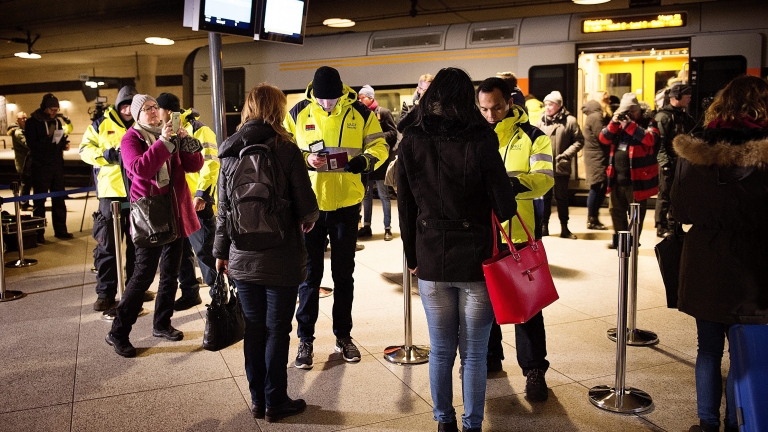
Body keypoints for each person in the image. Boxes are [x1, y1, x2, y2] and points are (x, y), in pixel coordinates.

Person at [398, 67, 517, 432]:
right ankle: (472, 425)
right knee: (475, 354)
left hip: (432, 257)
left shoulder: (411, 142)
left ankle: (443, 422)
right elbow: (506, 207)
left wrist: (413, 258)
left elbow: (405, 207)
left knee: (440, 350)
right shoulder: (482, 140)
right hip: (476, 260)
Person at [214, 83, 319, 423]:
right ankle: (276, 401)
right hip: (282, 255)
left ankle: (258, 400)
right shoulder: (286, 148)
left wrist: (221, 250)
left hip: (241, 254)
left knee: (254, 328)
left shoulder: (228, 151)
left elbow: (223, 210)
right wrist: (307, 219)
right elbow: (307, 206)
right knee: (277, 329)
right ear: (277, 109)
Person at [669, 75, 768, 432]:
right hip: (755, 267)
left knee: (707, 349)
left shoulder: (693, 152)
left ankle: (707, 423)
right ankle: (736, 421)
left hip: (704, 263)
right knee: (745, 350)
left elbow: (679, 211)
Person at [284, 66, 388, 368]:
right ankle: (305, 339)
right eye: (322, 100)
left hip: (346, 204)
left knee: (344, 276)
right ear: (313, 93)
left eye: (331, 99)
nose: (327, 105)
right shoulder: (298, 112)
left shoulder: (360, 111)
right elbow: (285, 149)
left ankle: (344, 336)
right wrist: (306, 159)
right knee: (309, 277)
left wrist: (364, 161)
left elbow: (380, 145)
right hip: (310, 206)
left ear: (341, 91)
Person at [105, 95, 204, 358]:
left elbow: (195, 166)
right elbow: (140, 169)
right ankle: (118, 332)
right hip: (151, 216)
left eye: (153, 108)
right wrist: (163, 143)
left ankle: (162, 323)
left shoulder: (168, 134)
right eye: (146, 109)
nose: (151, 112)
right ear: (137, 115)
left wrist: (183, 141)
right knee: (143, 276)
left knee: (171, 273)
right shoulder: (131, 139)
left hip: (175, 212)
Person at [477, 77, 554, 401]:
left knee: (528, 305)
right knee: (484, 302)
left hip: (519, 233)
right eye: (483, 108)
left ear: (510, 102)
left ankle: (534, 369)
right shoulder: (473, 137)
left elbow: (544, 180)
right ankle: (490, 357)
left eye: (495, 107)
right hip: (482, 232)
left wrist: (509, 185)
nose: (490, 114)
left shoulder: (534, 136)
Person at [80, 86, 152, 311]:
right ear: (118, 105)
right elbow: (84, 150)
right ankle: (105, 292)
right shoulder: (101, 124)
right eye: (124, 105)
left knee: (136, 245)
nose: (128, 109)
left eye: (132, 105)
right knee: (107, 246)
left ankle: (134, 289)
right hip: (110, 195)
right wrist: (105, 156)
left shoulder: (144, 126)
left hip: (137, 193)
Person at [155, 92, 220, 311]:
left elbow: (211, 164)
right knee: (181, 252)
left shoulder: (201, 130)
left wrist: (201, 194)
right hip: (176, 202)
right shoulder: (162, 132)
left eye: (158, 109)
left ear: (169, 112)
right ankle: (190, 292)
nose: (156, 113)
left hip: (197, 202)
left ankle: (218, 295)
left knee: (205, 251)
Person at [599, 93, 659, 249]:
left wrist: (630, 126)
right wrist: (614, 122)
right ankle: (622, 243)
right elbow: (603, 138)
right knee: (615, 212)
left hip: (637, 180)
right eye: (625, 112)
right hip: (616, 179)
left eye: (631, 112)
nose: (628, 115)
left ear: (637, 110)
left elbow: (651, 140)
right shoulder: (619, 124)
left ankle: (633, 242)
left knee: (636, 215)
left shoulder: (649, 122)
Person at [23, 93, 73, 242]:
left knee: (59, 199)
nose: (54, 113)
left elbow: (59, 138)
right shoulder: (33, 122)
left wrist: (63, 144)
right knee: (40, 201)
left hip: (56, 164)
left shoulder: (57, 122)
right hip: (40, 165)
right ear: (45, 108)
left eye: (56, 110)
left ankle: (61, 229)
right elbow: (32, 144)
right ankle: (38, 233)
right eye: (51, 109)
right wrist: (48, 142)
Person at [536, 91, 584, 238]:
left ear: (559, 105)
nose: (547, 107)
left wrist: (566, 155)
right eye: (546, 104)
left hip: (561, 166)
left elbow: (579, 141)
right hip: (544, 166)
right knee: (545, 198)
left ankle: (565, 228)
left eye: (551, 104)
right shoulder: (541, 121)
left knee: (562, 198)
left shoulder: (570, 121)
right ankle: (544, 227)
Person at [357, 84, 397, 241]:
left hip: (380, 160)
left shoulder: (384, 112)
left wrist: (376, 137)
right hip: (367, 160)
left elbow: (393, 132)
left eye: (362, 97)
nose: (360, 100)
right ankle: (367, 226)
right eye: (359, 98)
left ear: (371, 98)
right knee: (366, 196)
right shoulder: (360, 114)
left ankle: (387, 228)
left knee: (383, 194)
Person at [654, 83, 695, 238]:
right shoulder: (663, 117)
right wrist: (664, 164)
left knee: (677, 195)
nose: (690, 99)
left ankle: (673, 224)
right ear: (677, 97)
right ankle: (661, 226)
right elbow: (659, 143)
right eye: (687, 96)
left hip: (681, 162)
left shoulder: (683, 116)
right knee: (665, 194)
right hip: (669, 163)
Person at [581, 93, 611, 230]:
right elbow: (603, 137)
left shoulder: (593, 116)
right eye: (606, 99)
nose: (609, 101)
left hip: (595, 156)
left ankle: (593, 218)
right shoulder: (596, 117)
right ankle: (592, 219)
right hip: (597, 157)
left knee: (599, 187)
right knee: (596, 187)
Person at [7, 111, 32, 210]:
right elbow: (27, 143)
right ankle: (23, 204)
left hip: (26, 162)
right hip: (23, 163)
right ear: (17, 120)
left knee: (27, 183)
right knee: (26, 183)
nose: (25, 120)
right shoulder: (18, 132)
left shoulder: (23, 130)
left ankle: (24, 202)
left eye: (26, 118)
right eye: (23, 118)